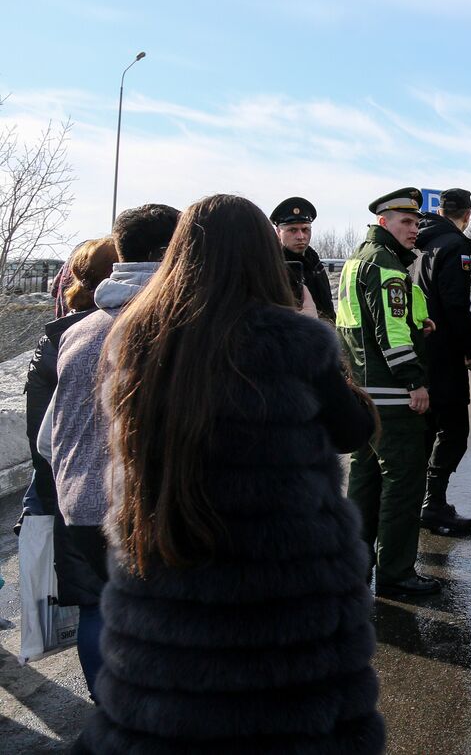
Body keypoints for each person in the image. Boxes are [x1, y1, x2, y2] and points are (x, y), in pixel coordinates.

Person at [75, 194, 382, 754]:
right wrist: (315, 335)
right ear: (263, 258)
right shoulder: (289, 339)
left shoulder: (141, 338)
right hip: (283, 592)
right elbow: (354, 428)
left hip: (173, 575)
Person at [48, 204, 180, 701]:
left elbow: (47, 437)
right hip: (140, 507)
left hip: (77, 502)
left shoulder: (78, 328)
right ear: (172, 251)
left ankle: (109, 716)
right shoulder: (173, 322)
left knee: (97, 613)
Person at [339, 187, 441, 597]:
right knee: (403, 482)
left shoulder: (357, 261)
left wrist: (422, 323)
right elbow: (391, 333)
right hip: (392, 395)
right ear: (383, 223)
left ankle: (354, 568)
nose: (414, 229)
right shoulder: (385, 265)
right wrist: (414, 382)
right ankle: (397, 574)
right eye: (406, 222)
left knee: (364, 482)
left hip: (363, 391)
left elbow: (362, 323)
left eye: (417, 222)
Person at [15, 238, 117, 533]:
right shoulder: (108, 334)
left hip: (63, 499)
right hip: (104, 506)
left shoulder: (57, 337)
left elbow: (44, 441)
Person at [413, 187, 471, 535]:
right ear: (467, 215)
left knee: (427, 429)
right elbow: (456, 305)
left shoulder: (416, 243)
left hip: (418, 350)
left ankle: (420, 500)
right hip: (443, 352)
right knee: (454, 431)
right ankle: (434, 502)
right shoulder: (453, 247)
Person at [270, 195, 336, 320]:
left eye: (305, 229)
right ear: (278, 232)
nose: (301, 236)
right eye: (293, 230)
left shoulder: (315, 264)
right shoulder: (272, 267)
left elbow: (328, 308)